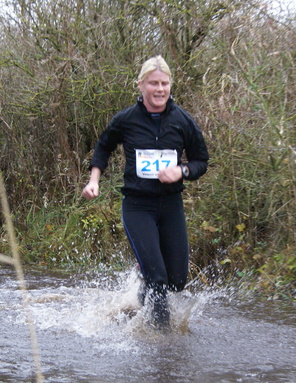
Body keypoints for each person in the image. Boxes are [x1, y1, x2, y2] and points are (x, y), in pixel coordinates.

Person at [81, 55, 209, 328]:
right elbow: (103, 146)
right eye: (153, 83)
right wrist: (94, 180)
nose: (160, 89)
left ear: (170, 86)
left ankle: (142, 290)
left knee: (176, 279)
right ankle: (161, 343)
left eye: (164, 83)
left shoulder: (182, 120)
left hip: (170, 205)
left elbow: (202, 160)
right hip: (137, 206)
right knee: (159, 281)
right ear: (141, 85)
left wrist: (182, 171)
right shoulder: (126, 120)